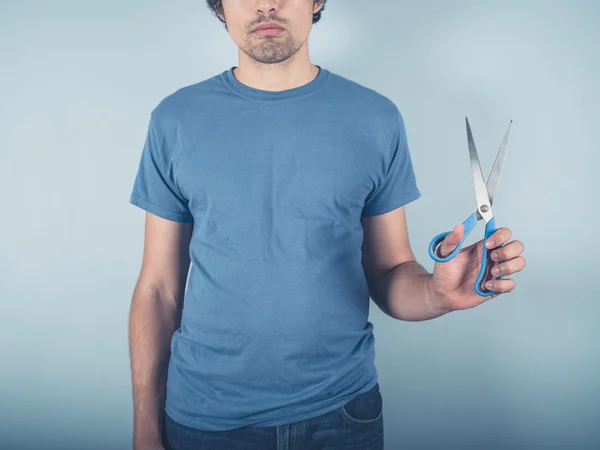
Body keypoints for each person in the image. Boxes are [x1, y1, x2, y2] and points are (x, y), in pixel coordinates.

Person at [127, 1, 527, 449]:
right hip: (205, 419)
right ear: (219, 5)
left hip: (341, 416)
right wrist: (145, 426)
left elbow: (390, 273)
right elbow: (158, 289)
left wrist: (438, 293)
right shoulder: (175, 120)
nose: (266, 4)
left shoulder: (376, 118)